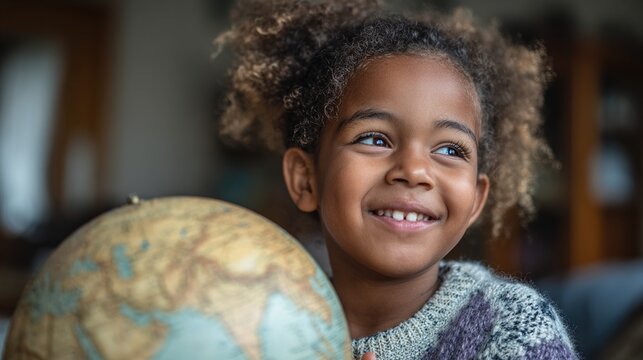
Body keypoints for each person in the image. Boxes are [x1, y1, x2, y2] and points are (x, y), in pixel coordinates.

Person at [216, 0, 577, 358]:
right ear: (306, 179)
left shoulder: (513, 327)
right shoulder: (260, 327)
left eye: (451, 150)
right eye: (374, 139)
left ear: (476, 201)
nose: (414, 171)